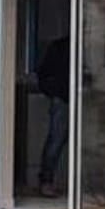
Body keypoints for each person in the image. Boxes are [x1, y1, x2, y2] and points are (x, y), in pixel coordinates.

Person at [36, 36, 69, 197]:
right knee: (56, 141)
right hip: (62, 100)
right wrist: (55, 93)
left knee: (88, 147)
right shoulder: (59, 47)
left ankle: (89, 187)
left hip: (83, 100)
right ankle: (46, 181)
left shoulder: (88, 46)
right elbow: (43, 74)